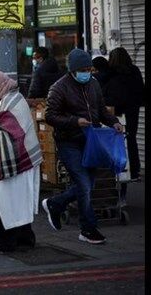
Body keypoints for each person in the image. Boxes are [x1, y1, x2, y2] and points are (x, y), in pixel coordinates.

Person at [42, 48, 122, 245]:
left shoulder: (93, 84)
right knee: (84, 184)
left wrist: (114, 122)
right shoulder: (58, 88)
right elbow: (50, 116)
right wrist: (74, 121)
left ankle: (55, 203)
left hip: (90, 141)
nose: (88, 73)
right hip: (69, 141)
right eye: (83, 69)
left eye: (90, 69)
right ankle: (88, 229)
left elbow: (101, 110)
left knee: (88, 184)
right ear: (73, 70)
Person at [0, 71, 41, 251]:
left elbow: (10, 129)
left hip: (20, 160)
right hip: (18, 160)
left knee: (12, 202)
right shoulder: (7, 99)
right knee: (15, 202)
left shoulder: (12, 101)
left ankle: (12, 240)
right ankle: (21, 238)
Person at [104, 46, 144, 182]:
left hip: (118, 112)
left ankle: (120, 171)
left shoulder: (112, 73)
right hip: (133, 110)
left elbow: (113, 95)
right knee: (131, 139)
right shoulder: (135, 71)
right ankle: (135, 170)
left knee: (117, 141)